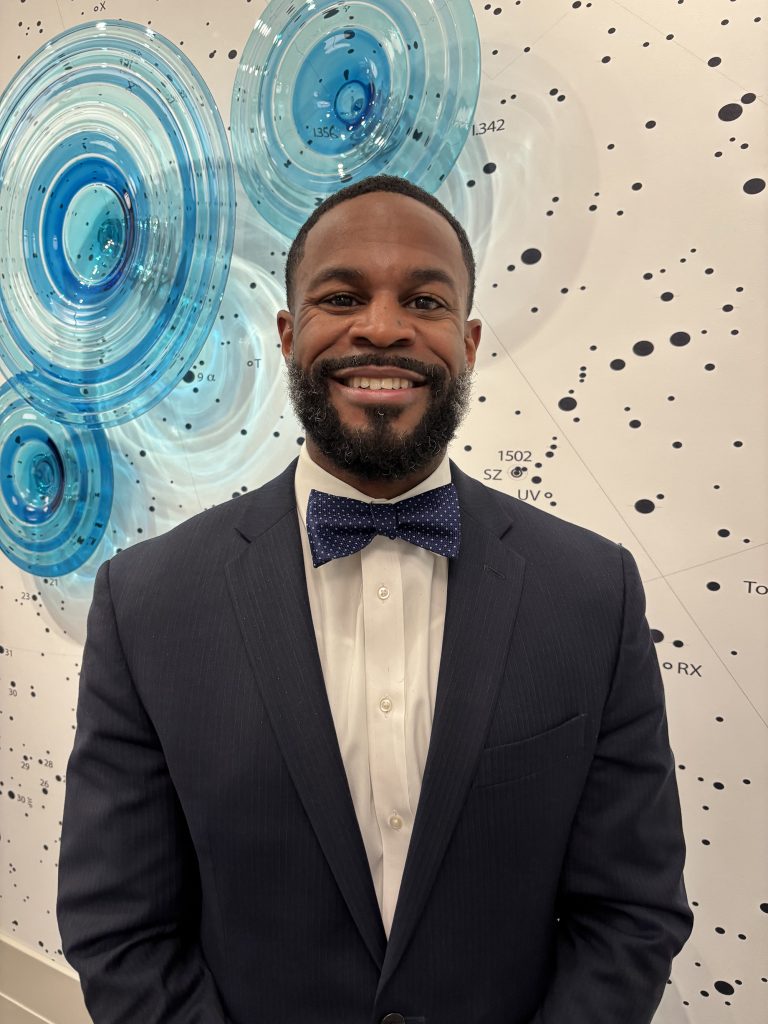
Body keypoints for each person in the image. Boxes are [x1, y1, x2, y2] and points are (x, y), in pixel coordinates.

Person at [57, 174, 693, 1024]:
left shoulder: (593, 593)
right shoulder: (146, 603)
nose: (384, 326)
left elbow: (631, 912)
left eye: (424, 300)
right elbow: (120, 926)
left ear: (467, 343)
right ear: (288, 334)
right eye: (342, 295)